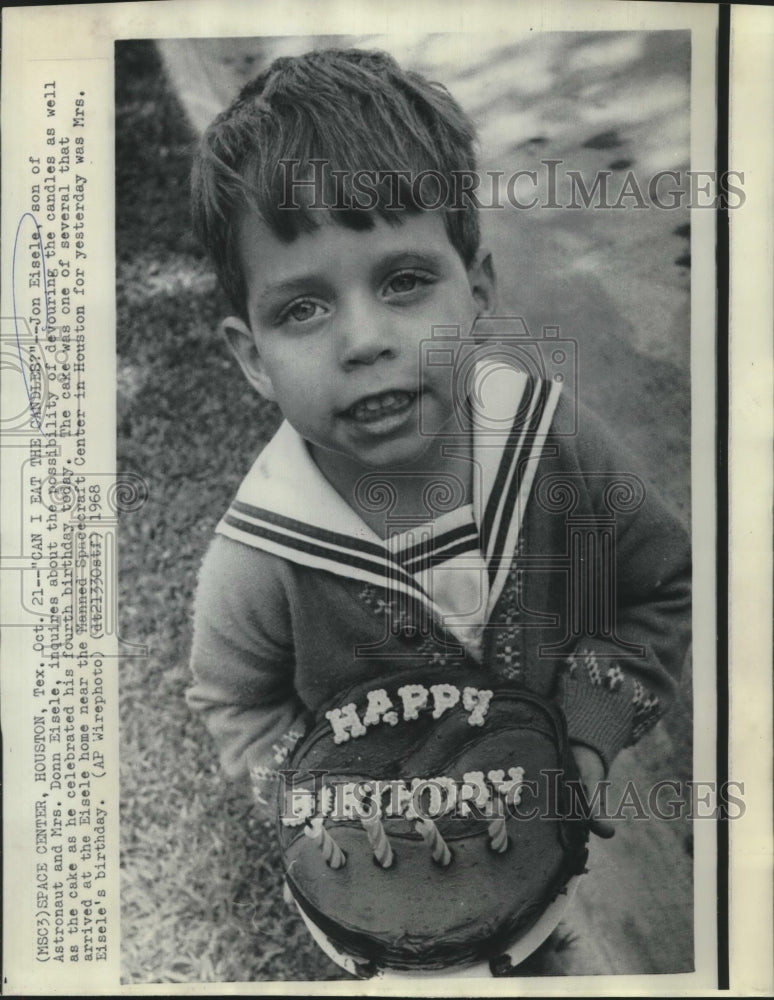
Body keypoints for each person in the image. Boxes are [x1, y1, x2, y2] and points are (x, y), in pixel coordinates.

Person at [186, 46, 690, 850]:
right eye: (304, 309)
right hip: (384, 901)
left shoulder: (550, 443)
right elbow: (240, 706)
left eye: (405, 282)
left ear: (479, 292)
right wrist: (326, 817)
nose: (364, 340)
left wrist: (589, 732)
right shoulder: (261, 553)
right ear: (254, 358)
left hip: (540, 858)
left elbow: (658, 587)